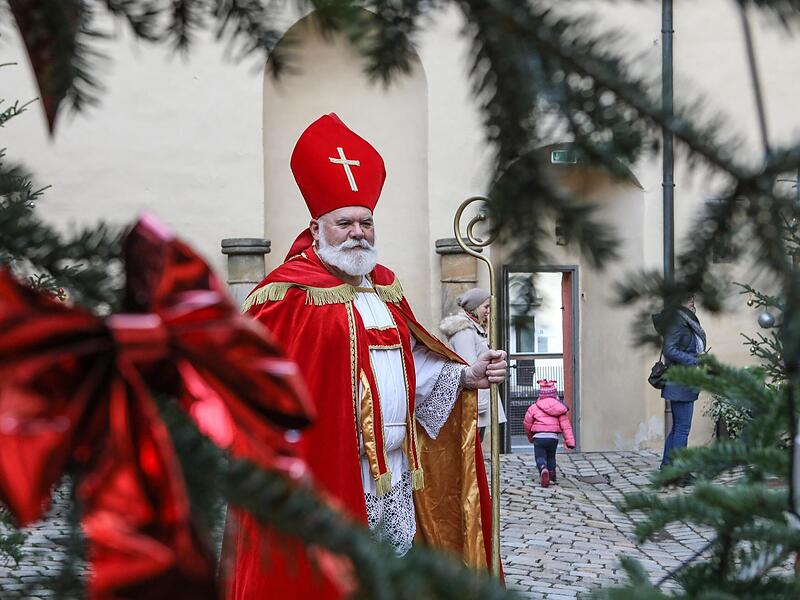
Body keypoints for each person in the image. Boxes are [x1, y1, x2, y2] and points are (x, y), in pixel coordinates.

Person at [225, 113, 508, 599]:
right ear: (317, 228)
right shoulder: (287, 296)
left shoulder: (385, 290)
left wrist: (467, 376)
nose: (358, 232)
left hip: (396, 472)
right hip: (330, 472)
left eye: (365, 221)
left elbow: (411, 365)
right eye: (345, 223)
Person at [439, 288, 507, 441]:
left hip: (478, 397)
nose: (489, 311)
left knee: (476, 447)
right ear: (475, 308)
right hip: (473, 400)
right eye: (486, 307)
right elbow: (470, 370)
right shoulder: (465, 332)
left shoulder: (475, 330)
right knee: (471, 449)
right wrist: (480, 404)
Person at [659, 294, 707, 470]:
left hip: (683, 381)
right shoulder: (677, 321)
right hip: (680, 381)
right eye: (688, 297)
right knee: (682, 429)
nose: (692, 300)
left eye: (693, 297)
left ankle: (667, 466)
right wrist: (694, 360)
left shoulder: (685, 321)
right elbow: (669, 350)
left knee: (678, 428)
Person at [523, 379, 575, 487]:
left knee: (540, 457)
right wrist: (570, 442)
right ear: (554, 394)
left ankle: (543, 468)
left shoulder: (534, 408)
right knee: (551, 456)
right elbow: (566, 427)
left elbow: (527, 424)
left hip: (539, 437)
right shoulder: (560, 409)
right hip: (553, 438)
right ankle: (552, 475)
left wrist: (530, 437)